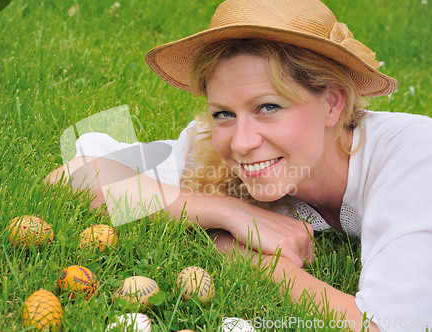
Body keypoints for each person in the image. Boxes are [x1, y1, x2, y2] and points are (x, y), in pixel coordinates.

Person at [46, 0, 432, 330]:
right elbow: (72, 175)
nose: (243, 142)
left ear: (332, 103)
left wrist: (244, 256)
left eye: (269, 107)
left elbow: (386, 324)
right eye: (224, 113)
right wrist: (227, 211)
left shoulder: (415, 157)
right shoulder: (219, 153)